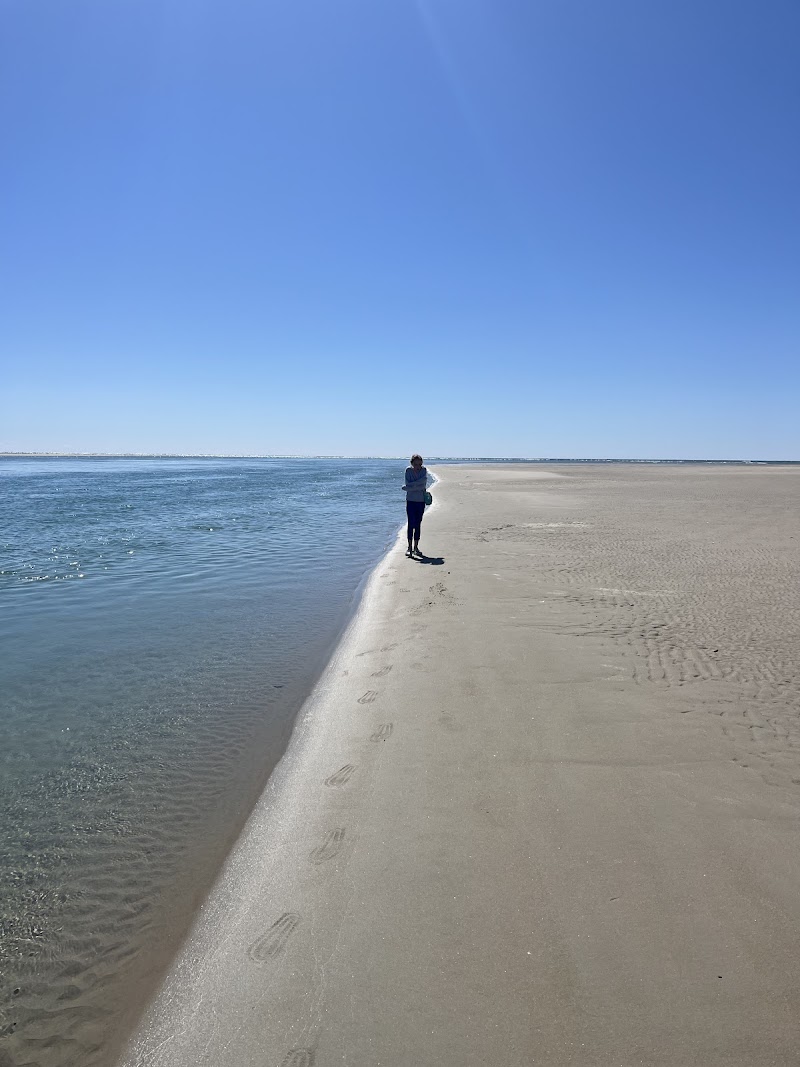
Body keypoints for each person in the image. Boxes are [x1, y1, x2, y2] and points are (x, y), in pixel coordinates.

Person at [403, 453, 428, 557]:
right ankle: (409, 547)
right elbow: (408, 484)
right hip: (411, 500)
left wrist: (411, 486)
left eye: (420, 464)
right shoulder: (408, 470)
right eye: (416, 464)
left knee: (418, 524)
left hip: (421, 501)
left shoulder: (424, 470)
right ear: (412, 463)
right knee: (411, 523)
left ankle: (416, 547)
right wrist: (415, 485)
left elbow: (423, 483)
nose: (418, 467)